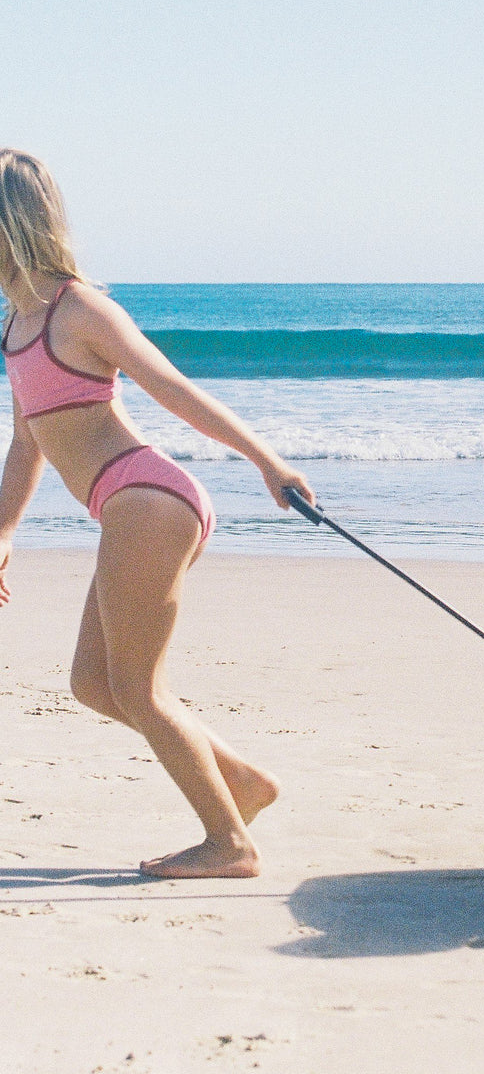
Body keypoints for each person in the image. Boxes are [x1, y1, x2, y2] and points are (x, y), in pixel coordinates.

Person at [0, 149, 314, 879]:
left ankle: (230, 844)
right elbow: (27, 441)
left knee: (139, 686)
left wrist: (266, 461)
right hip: (125, 505)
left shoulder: (80, 309)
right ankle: (242, 785)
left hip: (148, 498)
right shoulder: (17, 326)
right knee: (95, 684)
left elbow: (171, 389)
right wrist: (5, 531)